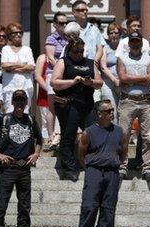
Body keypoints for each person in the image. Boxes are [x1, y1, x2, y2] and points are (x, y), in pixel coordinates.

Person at [74, 99, 128, 227]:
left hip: (112, 172)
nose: (111, 113)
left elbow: (123, 153)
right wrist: (91, 168)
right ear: (98, 114)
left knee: (108, 207)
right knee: (89, 206)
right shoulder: (88, 132)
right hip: (94, 171)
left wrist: (114, 163)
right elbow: (81, 154)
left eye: (112, 110)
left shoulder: (120, 131)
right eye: (108, 111)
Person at [50, 37, 103, 181]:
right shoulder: (63, 62)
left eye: (81, 51)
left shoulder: (90, 63)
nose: (78, 54)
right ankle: (69, 167)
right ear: (69, 50)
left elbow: (99, 83)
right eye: (75, 51)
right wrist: (73, 81)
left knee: (93, 133)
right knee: (69, 134)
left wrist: (90, 82)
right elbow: (54, 82)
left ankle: (91, 163)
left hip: (87, 104)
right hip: (68, 104)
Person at [0, 90, 42, 227]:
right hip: (7, 168)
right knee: (1, 206)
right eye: (17, 100)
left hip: (24, 169)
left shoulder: (30, 119)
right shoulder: (3, 119)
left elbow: (40, 141)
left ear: (27, 102)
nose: (20, 103)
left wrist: (36, 154)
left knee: (24, 207)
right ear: (13, 102)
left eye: (22, 100)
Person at [116, 32, 150, 182]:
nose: (135, 44)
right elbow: (122, 78)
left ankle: (148, 168)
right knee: (123, 135)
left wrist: (132, 80)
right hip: (127, 100)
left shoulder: (149, 59)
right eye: (132, 41)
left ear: (141, 43)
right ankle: (122, 167)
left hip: (145, 100)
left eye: (137, 41)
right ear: (129, 43)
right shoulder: (122, 58)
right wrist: (143, 78)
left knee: (148, 136)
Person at [44, 12, 68, 151]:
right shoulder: (51, 38)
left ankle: (60, 135)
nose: (63, 25)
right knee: (52, 106)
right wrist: (61, 68)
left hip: (65, 76)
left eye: (65, 22)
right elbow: (51, 58)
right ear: (54, 24)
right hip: (52, 74)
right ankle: (51, 136)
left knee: (63, 105)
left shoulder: (68, 39)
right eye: (61, 23)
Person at [0, 23, 35, 113]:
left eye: (20, 32)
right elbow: (4, 65)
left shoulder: (27, 49)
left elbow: (31, 67)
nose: (18, 34)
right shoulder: (6, 49)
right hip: (10, 86)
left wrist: (12, 67)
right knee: (10, 112)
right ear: (9, 35)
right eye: (15, 33)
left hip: (25, 85)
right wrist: (23, 65)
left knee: (25, 112)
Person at [71, 0, 104, 65]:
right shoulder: (70, 28)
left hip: (91, 65)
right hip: (74, 65)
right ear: (74, 12)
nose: (85, 12)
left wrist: (94, 62)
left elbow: (100, 49)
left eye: (86, 10)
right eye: (82, 10)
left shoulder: (94, 29)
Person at [100, 22, 122, 119]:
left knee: (122, 111)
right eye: (111, 33)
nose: (113, 35)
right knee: (110, 110)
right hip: (108, 82)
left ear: (120, 34)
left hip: (122, 82)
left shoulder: (124, 47)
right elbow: (103, 67)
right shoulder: (105, 48)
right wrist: (114, 79)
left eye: (116, 33)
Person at [34, 54, 50, 144]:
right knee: (45, 121)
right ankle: (46, 143)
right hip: (45, 94)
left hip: (61, 94)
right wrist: (49, 90)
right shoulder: (43, 58)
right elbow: (38, 76)